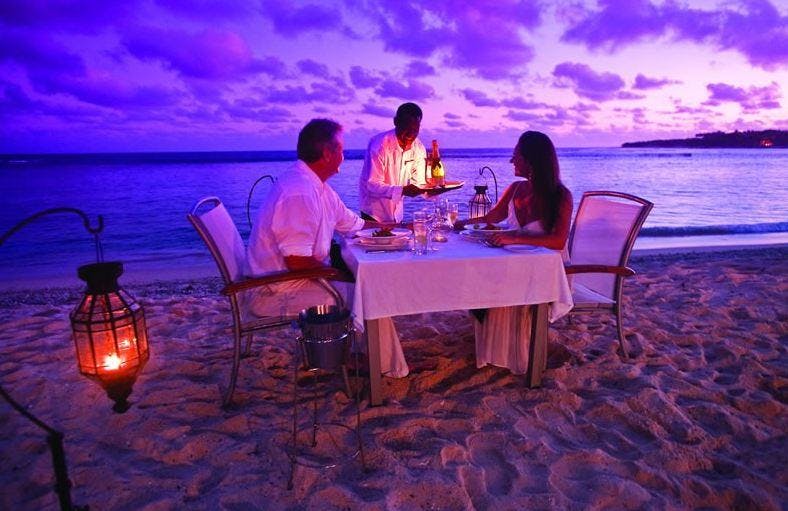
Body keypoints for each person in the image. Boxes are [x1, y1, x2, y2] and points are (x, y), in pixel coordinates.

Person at [245, 118, 407, 376]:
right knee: (368, 294)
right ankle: (384, 366)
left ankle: (375, 357)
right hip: (274, 291)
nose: (344, 154)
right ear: (327, 153)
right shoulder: (299, 192)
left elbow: (351, 222)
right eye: (341, 149)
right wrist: (336, 275)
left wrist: (395, 227)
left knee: (363, 286)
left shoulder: (316, 185)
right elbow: (297, 261)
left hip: (292, 281)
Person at [455, 131, 573, 374]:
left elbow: (558, 240)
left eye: (515, 156)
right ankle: (495, 347)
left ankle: (513, 349)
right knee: (480, 271)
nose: (511, 161)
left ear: (531, 161)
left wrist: (512, 237)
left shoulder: (560, 196)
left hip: (548, 269)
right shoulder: (516, 189)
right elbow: (492, 217)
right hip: (514, 260)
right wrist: (462, 223)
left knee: (493, 275)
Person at [358, 102, 428, 223]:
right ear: (396, 122)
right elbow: (372, 185)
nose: (411, 134)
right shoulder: (379, 145)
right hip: (374, 213)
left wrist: (433, 188)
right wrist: (403, 190)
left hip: (397, 215)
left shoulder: (418, 148)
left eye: (415, 130)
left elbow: (420, 182)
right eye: (407, 128)